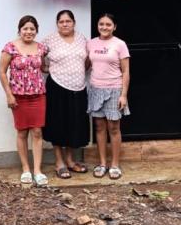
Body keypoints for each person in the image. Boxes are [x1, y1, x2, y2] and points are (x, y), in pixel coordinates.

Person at [0, 15, 49, 186]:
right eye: (25, 28)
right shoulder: (10, 48)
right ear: (19, 30)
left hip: (38, 95)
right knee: (22, 132)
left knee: (37, 132)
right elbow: (2, 72)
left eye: (32, 29)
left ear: (36, 31)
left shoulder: (41, 48)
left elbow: (44, 67)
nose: (29, 32)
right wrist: (9, 94)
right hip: (18, 97)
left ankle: (37, 170)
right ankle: (26, 169)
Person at [42, 10, 90, 180]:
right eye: (61, 21)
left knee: (74, 124)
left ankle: (70, 160)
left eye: (68, 21)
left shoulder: (82, 39)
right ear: (57, 24)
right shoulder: (49, 40)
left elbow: (88, 60)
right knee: (58, 123)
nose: (65, 24)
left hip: (78, 87)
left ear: (74, 23)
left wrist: (79, 71)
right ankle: (59, 162)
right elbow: (38, 56)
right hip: (57, 86)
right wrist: (45, 68)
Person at [86, 13, 130, 180]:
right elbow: (86, 65)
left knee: (114, 127)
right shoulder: (91, 43)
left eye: (108, 24)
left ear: (114, 27)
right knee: (99, 127)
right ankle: (102, 163)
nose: (104, 27)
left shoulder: (120, 44)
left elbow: (126, 71)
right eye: (101, 24)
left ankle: (115, 165)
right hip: (96, 89)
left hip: (114, 89)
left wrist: (123, 95)